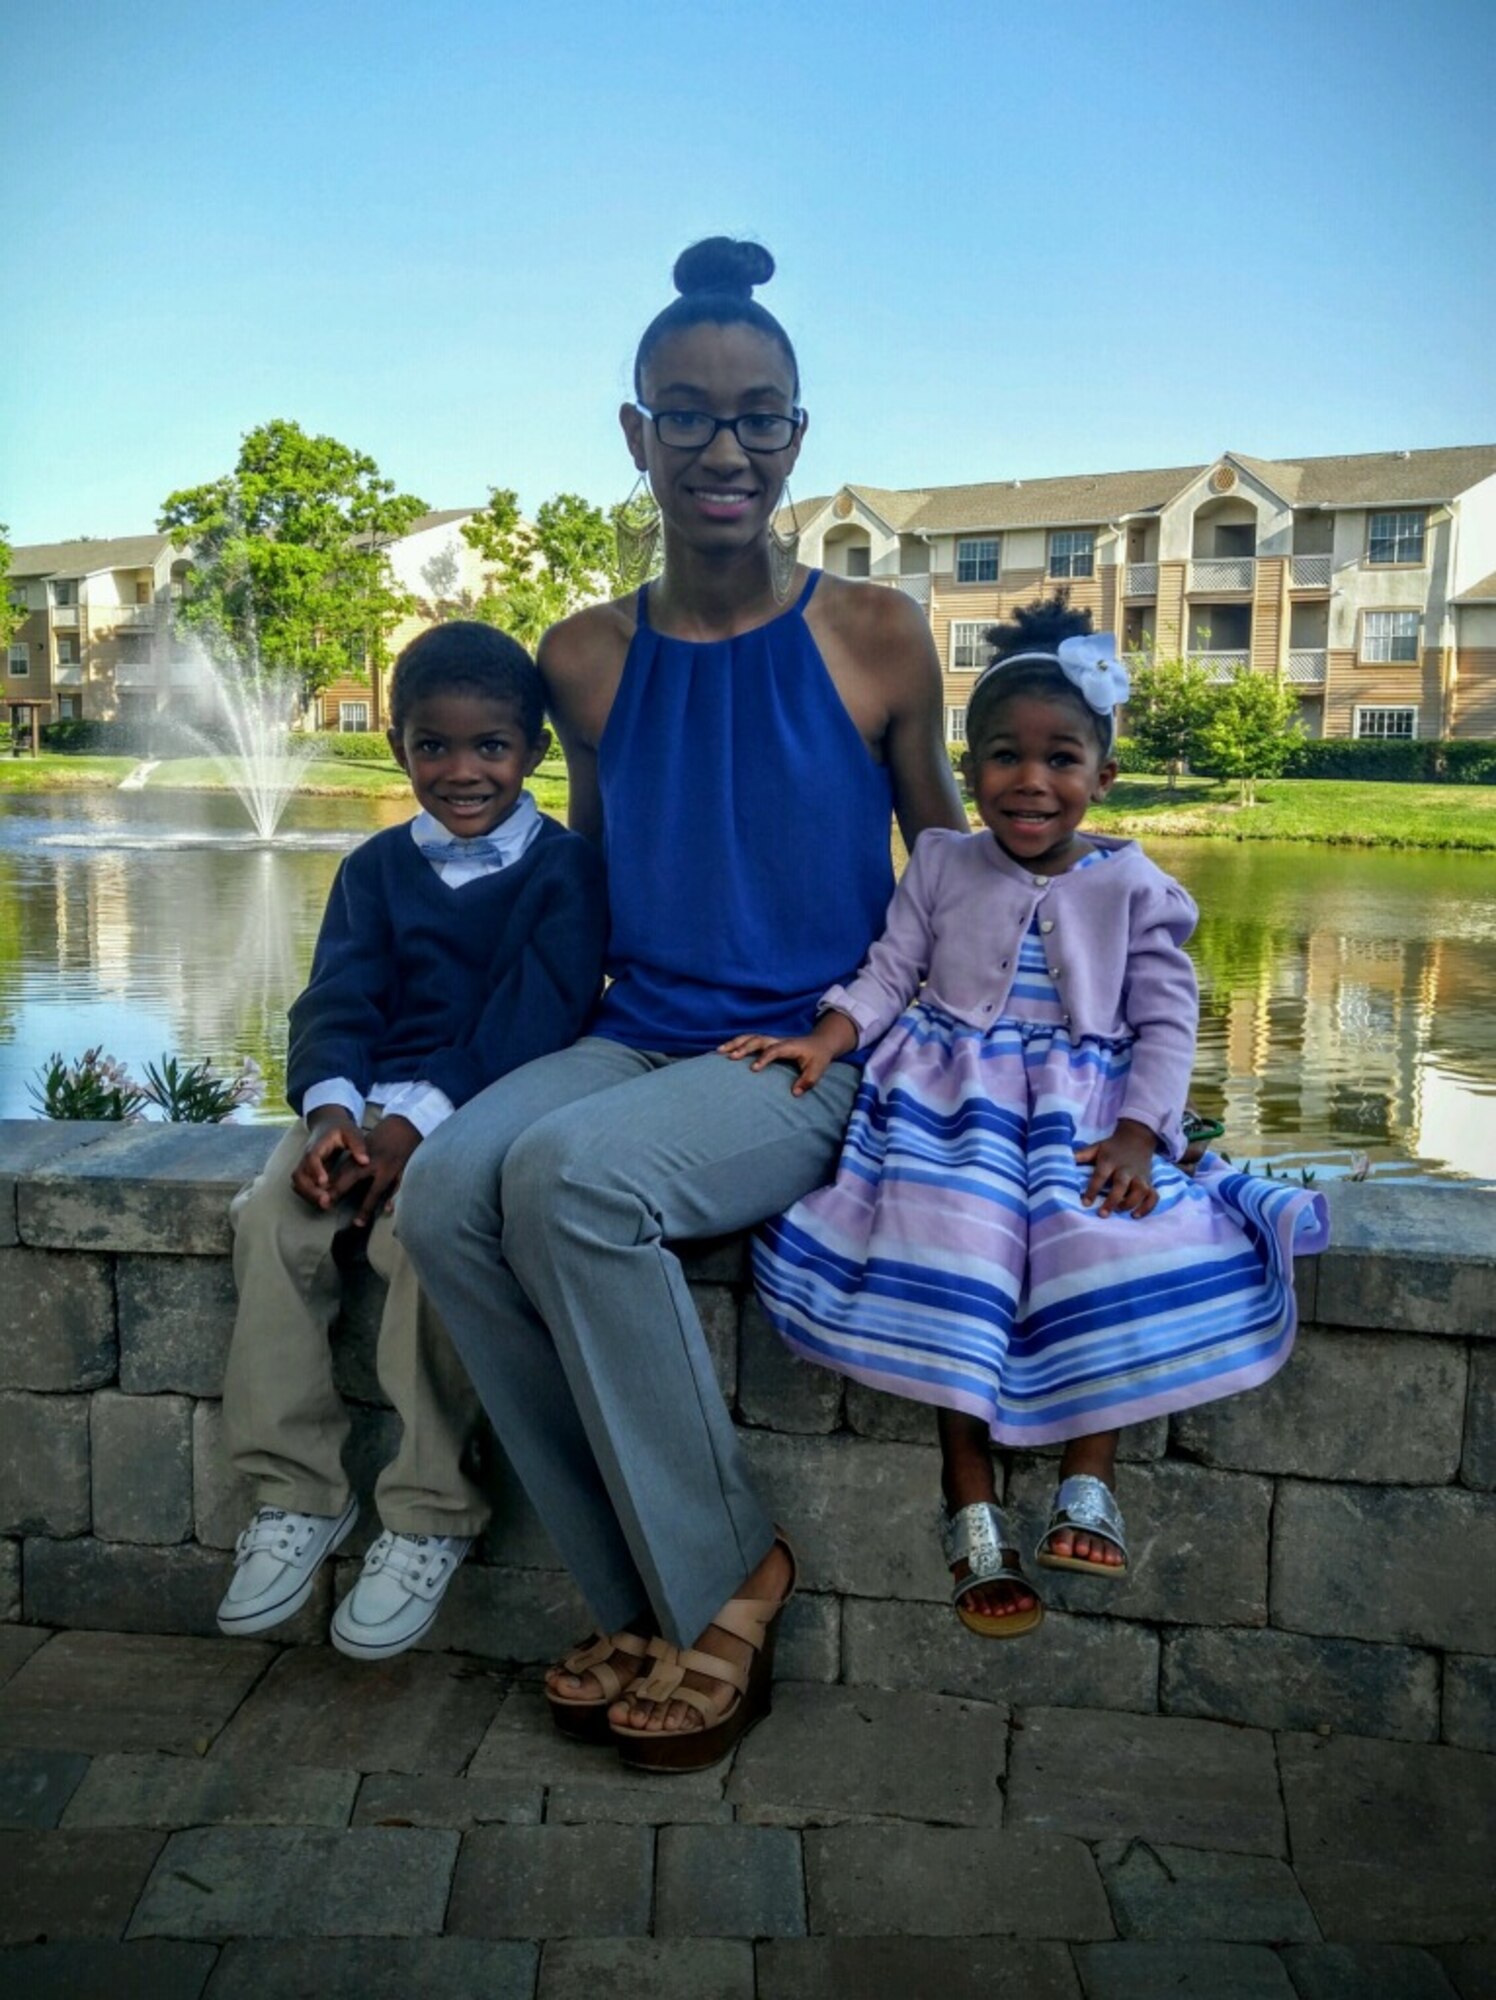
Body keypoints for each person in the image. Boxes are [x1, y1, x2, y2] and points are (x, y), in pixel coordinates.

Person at [395, 237, 968, 1769]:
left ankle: (730, 1579)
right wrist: (417, 1073)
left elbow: (951, 872)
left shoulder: (875, 631)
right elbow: (582, 883)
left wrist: (1035, 1066)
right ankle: (631, 1589)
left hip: (805, 1051)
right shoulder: (583, 657)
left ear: (798, 432)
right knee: (454, 1187)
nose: (726, 447)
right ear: (636, 434)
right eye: (689, 414)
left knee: (576, 1183)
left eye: (759, 415)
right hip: (637, 1031)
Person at [730, 594, 1329, 1638]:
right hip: (948, 1099)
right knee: (951, 1251)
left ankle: (1084, 1480)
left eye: (1061, 759)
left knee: (1097, 1236)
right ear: (969, 771)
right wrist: (830, 1036)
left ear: (1101, 776)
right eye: (1003, 756)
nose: (1030, 779)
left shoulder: (1134, 886)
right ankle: (966, 1495)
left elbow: (1165, 1020)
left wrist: (1141, 1129)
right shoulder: (942, 863)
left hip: (1085, 1108)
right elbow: (888, 973)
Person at [217, 621, 607, 1660]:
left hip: (482, 1103)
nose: (462, 768)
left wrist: (410, 1129)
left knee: (420, 1243)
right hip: (369, 1108)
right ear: (399, 748)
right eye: (434, 745)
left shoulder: (564, 872)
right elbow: (337, 996)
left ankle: (430, 1508)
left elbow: (533, 1017)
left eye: (490, 746)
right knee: (274, 1220)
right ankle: (296, 1491)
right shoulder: (375, 868)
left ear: (531, 750)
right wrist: (335, 1117)